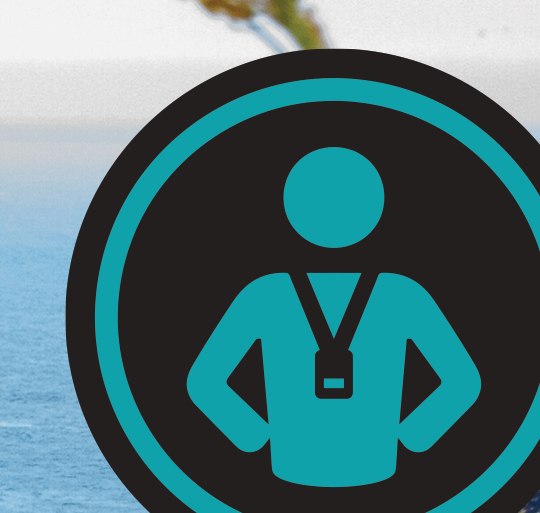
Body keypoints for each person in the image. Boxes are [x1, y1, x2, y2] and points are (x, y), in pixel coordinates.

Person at [184, 146, 478, 489]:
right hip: (375, 464)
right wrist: (411, 437)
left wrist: (255, 437)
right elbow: (463, 382)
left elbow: (204, 382)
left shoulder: (265, 293)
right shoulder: (402, 293)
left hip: (292, 464)